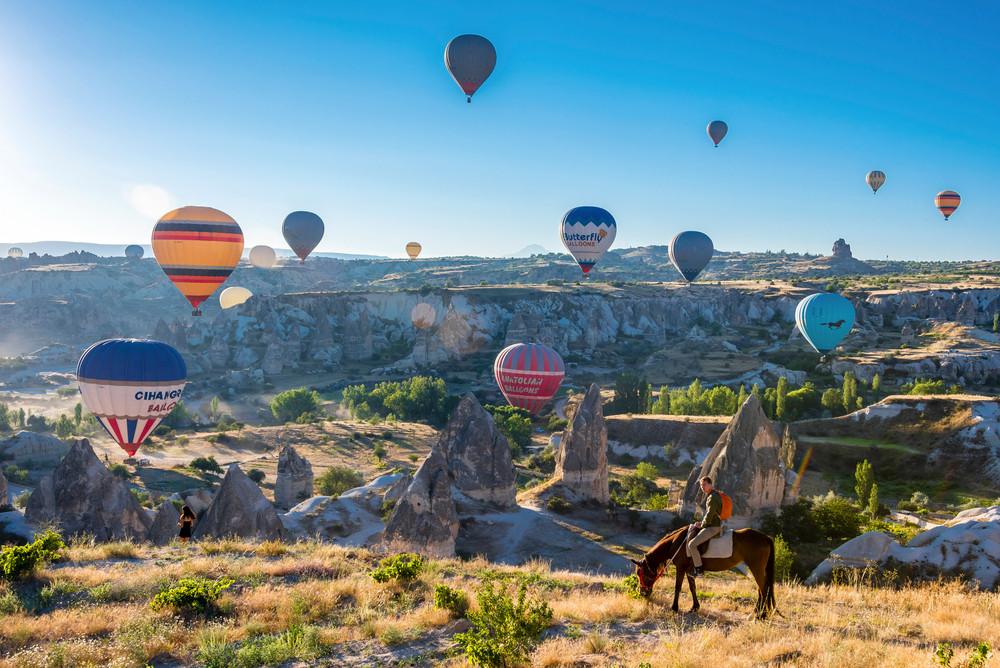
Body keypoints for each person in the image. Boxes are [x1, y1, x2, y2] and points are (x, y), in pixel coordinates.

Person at [685, 476, 722, 577]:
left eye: (705, 485)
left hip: (713, 527)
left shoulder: (713, 497)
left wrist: (702, 526)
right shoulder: (712, 495)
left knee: (692, 545)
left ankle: (700, 571)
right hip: (711, 524)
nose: (702, 487)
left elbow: (709, 514)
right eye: (701, 485)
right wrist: (701, 523)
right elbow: (710, 515)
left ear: (710, 485)